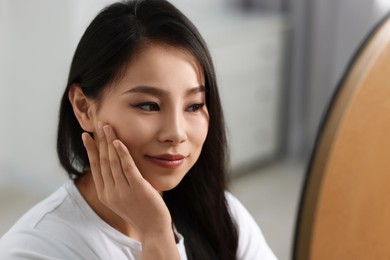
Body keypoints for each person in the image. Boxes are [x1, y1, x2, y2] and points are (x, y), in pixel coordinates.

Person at [0, 0, 277, 259]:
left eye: (193, 106)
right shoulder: (34, 249)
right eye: (148, 105)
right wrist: (155, 234)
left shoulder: (222, 216)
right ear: (84, 107)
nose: (176, 133)